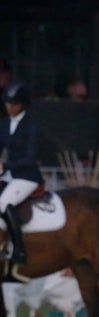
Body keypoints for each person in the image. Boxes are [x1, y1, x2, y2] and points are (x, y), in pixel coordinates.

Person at [0, 80, 44, 267]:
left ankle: (19, 250)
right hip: (9, 173)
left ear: (23, 104)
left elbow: (30, 157)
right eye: (7, 103)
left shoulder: (31, 125)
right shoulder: (3, 123)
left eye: (14, 104)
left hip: (27, 176)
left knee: (3, 203)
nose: (9, 107)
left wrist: (5, 165)